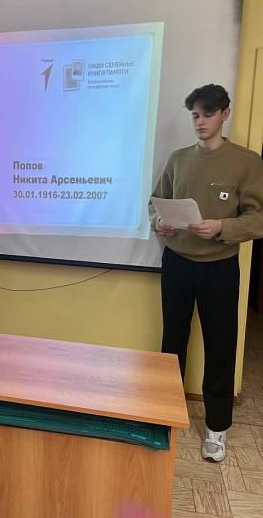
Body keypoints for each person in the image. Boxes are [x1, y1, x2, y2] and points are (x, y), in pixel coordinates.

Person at [149, 84, 263, 462]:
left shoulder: (247, 162)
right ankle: (165, 416)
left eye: (208, 114)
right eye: (195, 115)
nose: (200, 122)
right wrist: (159, 222)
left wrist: (221, 227)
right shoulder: (178, 159)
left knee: (220, 346)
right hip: (177, 263)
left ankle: (216, 427)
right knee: (172, 343)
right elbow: (155, 203)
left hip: (219, 267)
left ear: (225, 114)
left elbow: (258, 219)